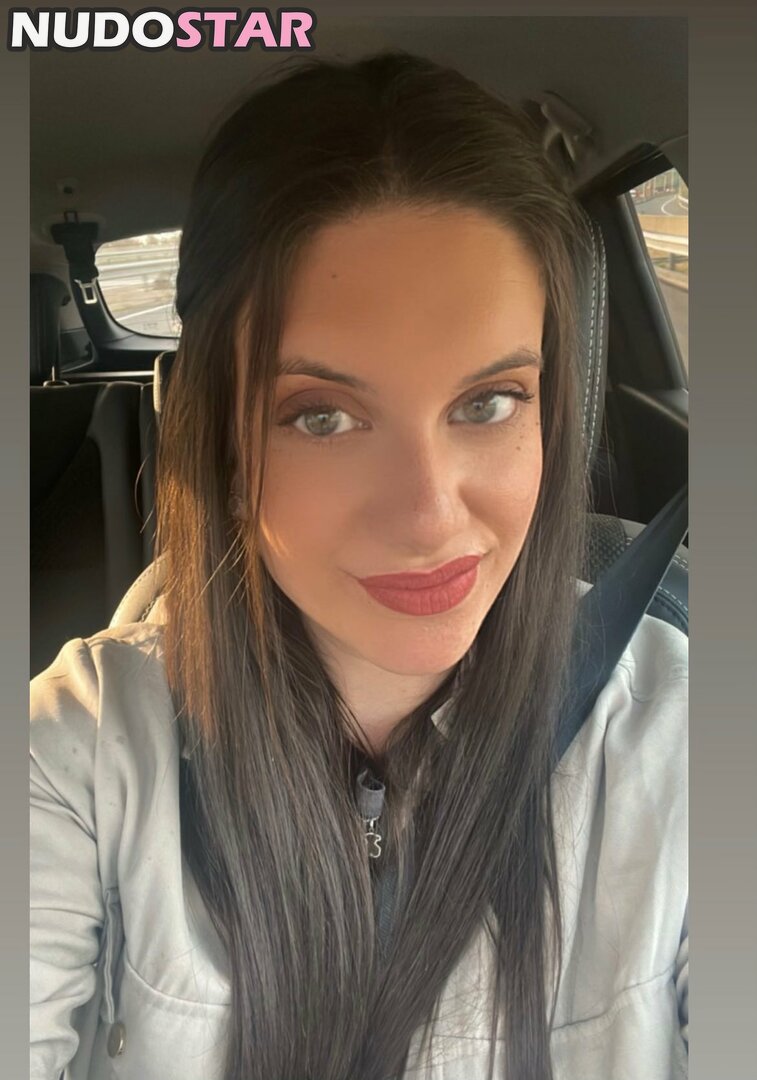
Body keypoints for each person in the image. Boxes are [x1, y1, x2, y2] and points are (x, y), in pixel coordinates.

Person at [30, 52, 688, 1080]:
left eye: (488, 402)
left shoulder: (682, 739)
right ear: (226, 449)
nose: (428, 517)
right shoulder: (77, 755)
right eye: (322, 417)